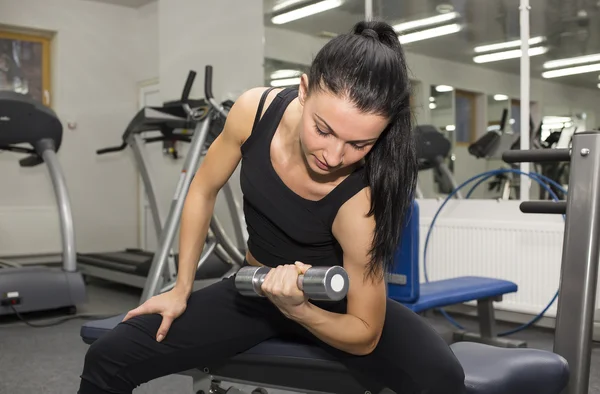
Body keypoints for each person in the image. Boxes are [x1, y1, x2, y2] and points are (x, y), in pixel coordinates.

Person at [78, 20, 466, 394]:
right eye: (323, 129)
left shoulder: (361, 201)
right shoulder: (254, 112)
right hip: (255, 287)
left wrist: (299, 309)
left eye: (359, 145)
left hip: (336, 303)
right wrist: (181, 287)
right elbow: (202, 189)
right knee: (108, 358)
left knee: (441, 377)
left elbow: (364, 334)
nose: (333, 156)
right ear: (303, 89)